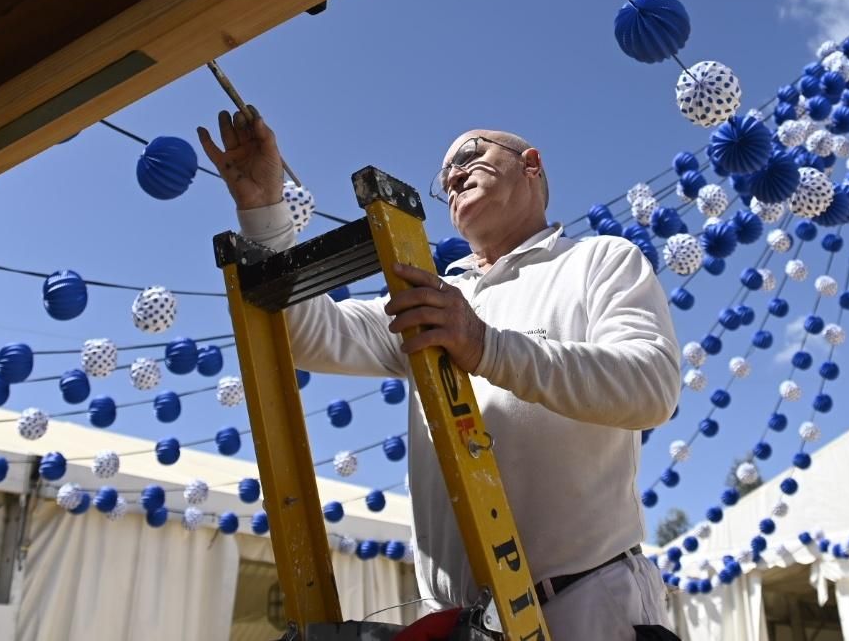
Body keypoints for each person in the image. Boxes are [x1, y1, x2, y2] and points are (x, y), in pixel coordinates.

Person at [198, 107, 682, 640]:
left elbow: (652, 386)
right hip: (459, 625)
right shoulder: (435, 295)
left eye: (470, 155)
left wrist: (486, 346)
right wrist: (265, 211)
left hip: (586, 607)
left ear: (531, 164)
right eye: (444, 174)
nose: (452, 175)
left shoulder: (598, 260)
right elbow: (309, 333)